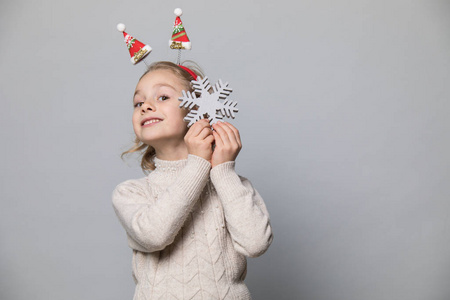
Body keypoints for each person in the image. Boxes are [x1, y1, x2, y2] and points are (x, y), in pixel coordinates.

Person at [112, 61, 273, 299]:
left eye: (163, 97)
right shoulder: (131, 193)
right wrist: (198, 164)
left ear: (197, 108)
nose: (146, 106)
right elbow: (154, 235)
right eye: (138, 102)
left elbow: (255, 244)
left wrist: (224, 172)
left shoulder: (231, 184)